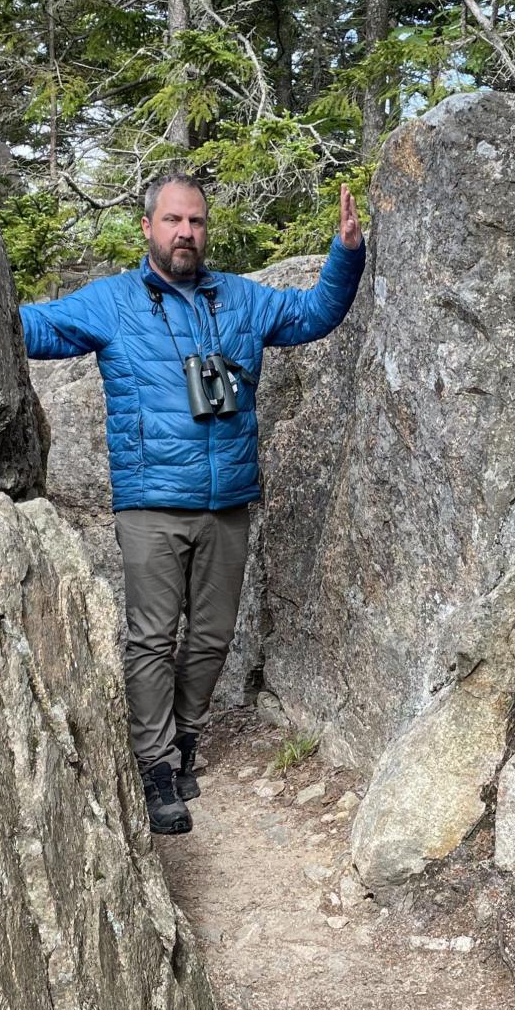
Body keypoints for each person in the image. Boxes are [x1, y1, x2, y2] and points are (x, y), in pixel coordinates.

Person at [20, 172, 366, 834]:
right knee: (152, 639)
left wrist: (345, 253)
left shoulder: (239, 299)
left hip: (227, 501)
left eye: (196, 222)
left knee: (209, 639)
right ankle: (154, 767)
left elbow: (315, 313)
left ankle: (181, 741)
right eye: (174, 221)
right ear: (147, 227)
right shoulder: (113, 303)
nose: (185, 233)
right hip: (150, 502)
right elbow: (33, 328)